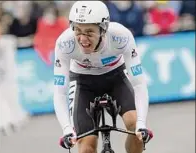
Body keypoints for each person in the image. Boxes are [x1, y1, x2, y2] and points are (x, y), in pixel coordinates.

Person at [54, 1, 153, 153]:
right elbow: (60, 92)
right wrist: (67, 129)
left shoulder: (121, 36)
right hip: (83, 82)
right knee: (87, 146)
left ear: (103, 29)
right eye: (78, 31)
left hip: (116, 77)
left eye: (89, 32)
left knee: (134, 125)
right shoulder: (64, 43)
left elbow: (139, 84)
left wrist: (141, 123)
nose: (82, 39)